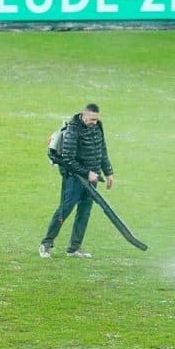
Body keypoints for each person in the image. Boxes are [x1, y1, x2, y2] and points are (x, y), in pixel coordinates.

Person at [39, 104, 114, 259]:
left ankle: (74, 248)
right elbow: (68, 159)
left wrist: (108, 172)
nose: (95, 121)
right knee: (64, 210)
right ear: (84, 115)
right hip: (74, 177)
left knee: (84, 212)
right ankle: (46, 244)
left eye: (96, 119)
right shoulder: (73, 130)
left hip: (92, 178)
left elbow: (102, 149)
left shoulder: (97, 126)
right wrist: (87, 173)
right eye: (92, 119)